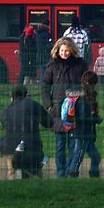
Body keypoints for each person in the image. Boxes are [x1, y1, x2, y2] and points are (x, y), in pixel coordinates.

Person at [41, 36, 88, 178]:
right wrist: (49, 105)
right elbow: (44, 85)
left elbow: (86, 84)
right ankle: (61, 172)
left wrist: (77, 98)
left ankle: (70, 170)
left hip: (76, 108)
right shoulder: (52, 65)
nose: (64, 53)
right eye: (62, 50)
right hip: (57, 109)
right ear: (57, 50)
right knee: (60, 144)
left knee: (74, 143)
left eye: (67, 51)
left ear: (72, 50)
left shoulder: (80, 64)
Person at [0, 85, 52, 178]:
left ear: (11, 96)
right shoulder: (34, 105)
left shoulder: (6, 111)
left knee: (6, 144)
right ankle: (35, 176)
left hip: (11, 148)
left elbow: (5, 125)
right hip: (32, 147)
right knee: (36, 169)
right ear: (26, 95)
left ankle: (12, 173)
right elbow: (49, 123)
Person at [65, 71, 102, 178]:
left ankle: (94, 174)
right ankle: (72, 174)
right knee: (78, 157)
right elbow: (83, 117)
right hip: (82, 134)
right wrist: (95, 119)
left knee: (96, 157)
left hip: (86, 134)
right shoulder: (82, 99)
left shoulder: (87, 98)